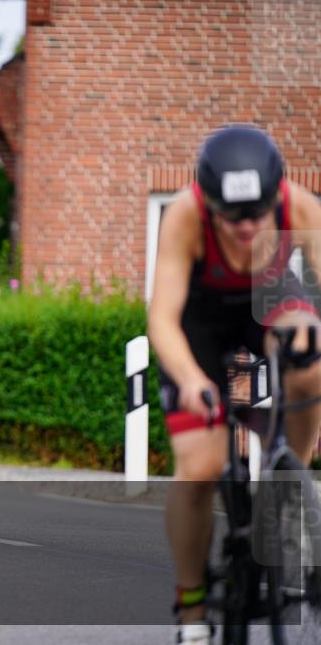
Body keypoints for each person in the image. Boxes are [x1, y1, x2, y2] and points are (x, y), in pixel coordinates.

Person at [148, 125, 321, 644]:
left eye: (259, 215)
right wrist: (190, 379)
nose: (248, 230)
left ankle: (293, 472)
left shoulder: (302, 207)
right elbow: (162, 317)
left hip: (266, 302)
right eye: (233, 219)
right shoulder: (186, 214)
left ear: (275, 198)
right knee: (199, 467)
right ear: (210, 203)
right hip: (198, 322)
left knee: (310, 351)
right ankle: (193, 608)